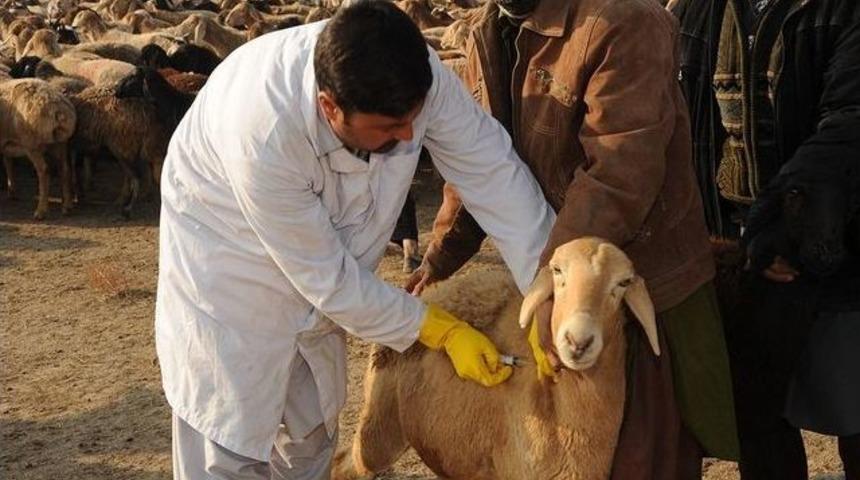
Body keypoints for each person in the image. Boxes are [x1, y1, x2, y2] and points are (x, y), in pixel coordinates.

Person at [154, 2, 556, 479]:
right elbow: (327, 277)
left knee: (308, 440)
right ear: (330, 106)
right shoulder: (264, 131)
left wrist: (547, 284)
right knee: (231, 440)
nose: (409, 136)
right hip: (229, 270)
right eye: (389, 128)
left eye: (413, 120)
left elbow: (493, 172)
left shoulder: (413, 75)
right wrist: (439, 329)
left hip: (317, 262)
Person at [405, 0, 741, 477]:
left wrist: (553, 282)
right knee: (557, 454)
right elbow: (481, 162)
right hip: (556, 279)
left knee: (638, 459)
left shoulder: (623, 21)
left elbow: (621, 169)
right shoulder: (488, 29)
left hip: (636, 283)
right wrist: (439, 258)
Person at [670, 0, 860, 477]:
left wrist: (779, 229)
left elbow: (848, 123)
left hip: (836, 244)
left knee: (854, 407)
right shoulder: (696, 12)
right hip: (740, 258)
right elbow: (679, 125)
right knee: (757, 421)